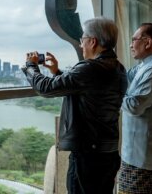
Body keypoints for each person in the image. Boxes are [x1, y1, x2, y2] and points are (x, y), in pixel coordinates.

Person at [22, 17, 127, 194]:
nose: (81, 45)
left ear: (93, 41)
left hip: (88, 155)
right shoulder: (118, 68)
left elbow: (45, 88)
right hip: (107, 151)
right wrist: (57, 72)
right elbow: (88, 88)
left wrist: (31, 66)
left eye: (82, 40)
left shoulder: (90, 68)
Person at [118, 23, 152, 194]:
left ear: (148, 42)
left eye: (133, 40)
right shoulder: (146, 65)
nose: (130, 45)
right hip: (143, 150)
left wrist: (111, 94)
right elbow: (124, 78)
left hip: (142, 153)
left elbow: (134, 106)